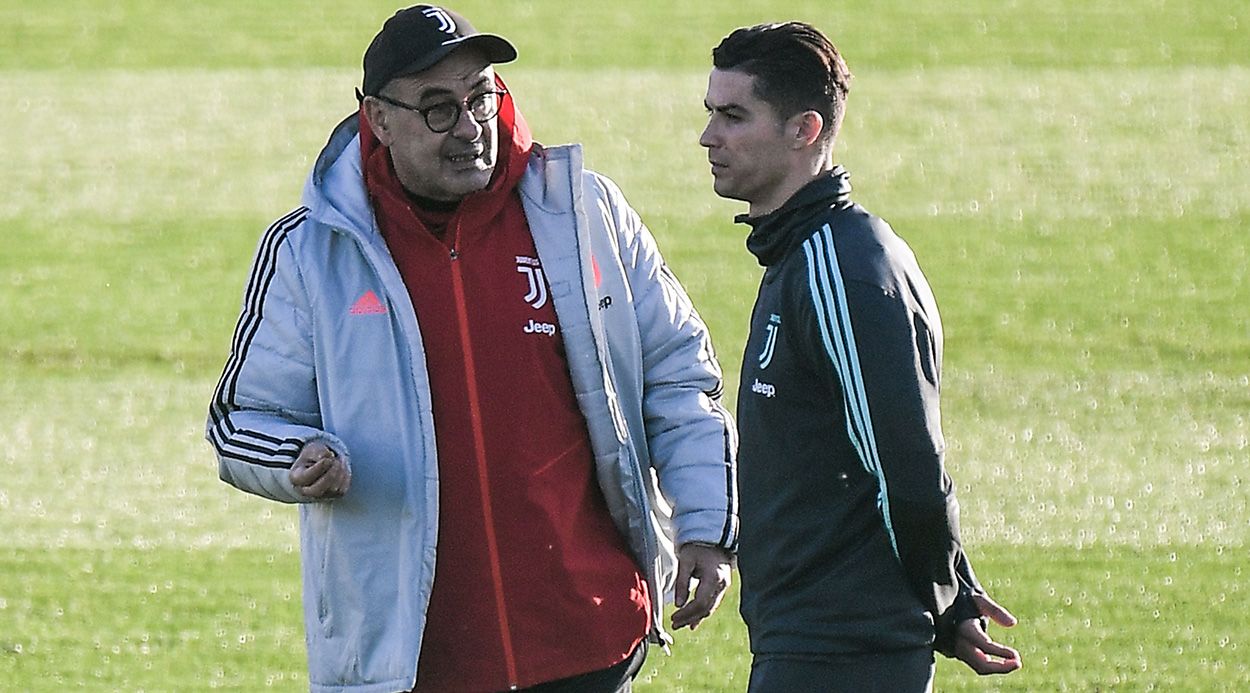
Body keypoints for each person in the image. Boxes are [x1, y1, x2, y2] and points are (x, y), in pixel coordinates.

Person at [206, 5, 738, 691]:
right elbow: (239, 421)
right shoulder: (312, 251)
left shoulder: (583, 212)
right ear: (377, 117)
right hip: (414, 660)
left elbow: (677, 374)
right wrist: (294, 457)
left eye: (480, 97)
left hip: (587, 637)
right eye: (436, 109)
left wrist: (705, 524)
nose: (468, 128)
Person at [699, 22, 1022, 691]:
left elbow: (906, 464)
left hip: (842, 651)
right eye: (710, 114)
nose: (709, 138)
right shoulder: (802, 254)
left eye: (733, 116)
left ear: (804, 129)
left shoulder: (837, 268)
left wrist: (944, 594)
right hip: (817, 640)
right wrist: (948, 594)